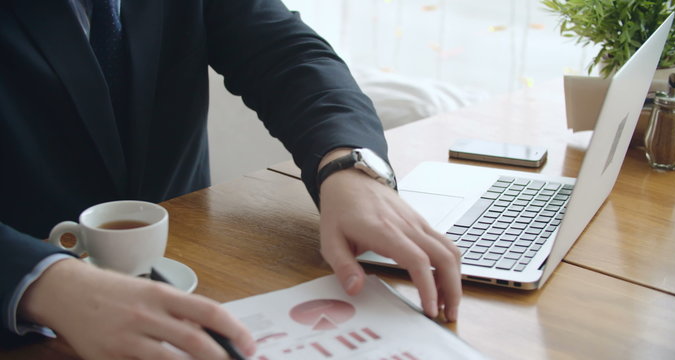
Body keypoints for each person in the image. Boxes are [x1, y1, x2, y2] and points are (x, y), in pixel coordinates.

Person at [0, 0, 462, 359]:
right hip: (29, 326)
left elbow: (285, 52)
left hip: (204, 278)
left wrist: (348, 165)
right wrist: (40, 281)